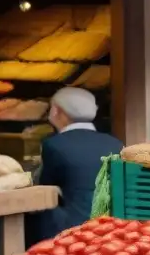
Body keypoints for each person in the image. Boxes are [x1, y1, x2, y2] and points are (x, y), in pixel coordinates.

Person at [28, 87, 123, 243]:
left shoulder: (54, 145)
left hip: (70, 230)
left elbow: (45, 189)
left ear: (57, 111)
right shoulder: (115, 144)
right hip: (110, 228)